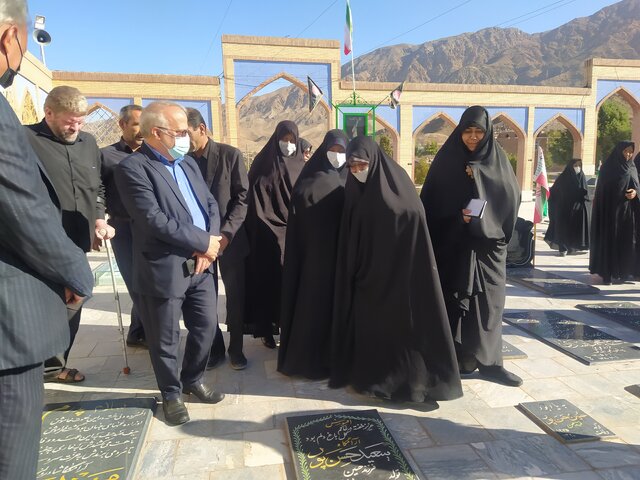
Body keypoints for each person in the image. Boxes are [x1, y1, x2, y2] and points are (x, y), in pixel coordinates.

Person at [0, 2, 94, 476]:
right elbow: (24, 208)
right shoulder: (18, 131)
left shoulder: (89, 146)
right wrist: (78, 275)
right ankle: (56, 361)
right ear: (11, 38)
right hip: (15, 308)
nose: (75, 126)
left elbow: (92, 187)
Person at [329, 136, 463, 403]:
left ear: (374, 161)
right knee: (375, 333)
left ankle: (414, 385)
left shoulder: (398, 184)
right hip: (369, 278)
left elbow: (414, 217)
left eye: (361, 165)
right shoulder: (354, 190)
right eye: (352, 167)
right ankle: (375, 380)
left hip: (403, 279)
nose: (357, 172)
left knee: (405, 335)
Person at [115, 101, 225, 425]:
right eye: (178, 132)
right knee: (165, 339)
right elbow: (153, 220)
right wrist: (203, 242)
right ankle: (172, 394)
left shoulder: (188, 164)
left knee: (205, 328)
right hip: (164, 268)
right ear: (155, 133)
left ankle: (192, 379)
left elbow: (210, 204)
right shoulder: (133, 168)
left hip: (201, 267)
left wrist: (211, 245)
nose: (185, 138)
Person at [420, 105, 522, 387]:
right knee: (455, 303)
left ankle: (490, 363)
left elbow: (510, 198)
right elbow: (430, 205)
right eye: (468, 131)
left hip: (488, 247)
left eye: (479, 131)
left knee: (489, 305)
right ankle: (459, 359)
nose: (473, 137)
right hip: (454, 245)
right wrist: (458, 216)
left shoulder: (497, 161)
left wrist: (479, 177)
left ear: (488, 132)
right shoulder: (446, 161)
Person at [26, 85, 114, 384]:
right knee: (46, 305)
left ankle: (53, 366)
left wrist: (99, 219)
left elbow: (98, 188)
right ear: (48, 113)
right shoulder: (25, 140)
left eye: (80, 120)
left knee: (74, 299)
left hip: (78, 241)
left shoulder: (89, 143)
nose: (75, 127)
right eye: (69, 121)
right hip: (38, 243)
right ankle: (33, 366)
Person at [278, 129, 349, 379]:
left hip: (345, 259)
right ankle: (308, 360)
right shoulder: (310, 180)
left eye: (342, 151)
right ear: (324, 150)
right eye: (333, 150)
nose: (337, 156)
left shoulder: (352, 179)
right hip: (315, 261)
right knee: (314, 309)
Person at [186, 107, 250, 370]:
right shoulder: (183, 162)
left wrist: (225, 235)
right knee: (204, 298)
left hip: (230, 240)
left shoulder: (229, 155)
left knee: (235, 297)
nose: (181, 139)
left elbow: (242, 198)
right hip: (198, 244)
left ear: (201, 129)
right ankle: (214, 349)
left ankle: (236, 349)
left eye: (185, 133)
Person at [244, 120, 305, 349]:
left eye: (292, 140)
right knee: (268, 283)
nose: (288, 145)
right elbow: (251, 197)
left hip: (294, 237)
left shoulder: (301, 166)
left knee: (291, 285)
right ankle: (267, 330)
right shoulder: (262, 163)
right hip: (265, 236)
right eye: (284, 139)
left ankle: (288, 328)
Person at [100, 104, 146, 347]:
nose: (142, 130)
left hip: (151, 229)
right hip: (123, 230)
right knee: (135, 283)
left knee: (149, 282)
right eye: (137, 124)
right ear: (122, 125)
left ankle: (137, 332)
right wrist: (97, 220)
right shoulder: (106, 156)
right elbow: (96, 191)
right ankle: (150, 333)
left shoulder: (153, 153)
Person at [590, 141, 638, 285]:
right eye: (626, 151)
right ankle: (607, 274)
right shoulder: (608, 168)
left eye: (631, 152)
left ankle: (622, 272)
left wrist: (635, 193)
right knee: (609, 242)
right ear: (619, 151)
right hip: (609, 214)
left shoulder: (632, 168)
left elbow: (636, 186)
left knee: (626, 242)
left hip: (627, 214)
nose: (628, 154)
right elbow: (602, 192)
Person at [544, 158, 590, 256]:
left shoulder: (581, 176)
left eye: (579, 165)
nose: (577, 168)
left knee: (574, 228)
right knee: (563, 228)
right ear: (570, 166)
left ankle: (572, 247)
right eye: (575, 165)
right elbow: (554, 193)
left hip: (577, 209)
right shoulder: (563, 178)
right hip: (564, 209)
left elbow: (586, 193)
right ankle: (563, 247)